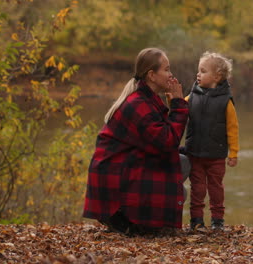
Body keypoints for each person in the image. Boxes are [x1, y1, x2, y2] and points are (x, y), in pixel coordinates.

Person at [83, 48, 189, 236]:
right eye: (166, 69)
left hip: (123, 169)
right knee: (182, 167)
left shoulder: (147, 100)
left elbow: (157, 143)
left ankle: (135, 218)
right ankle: (122, 217)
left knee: (182, 163)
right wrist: (179, 106)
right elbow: (166, 142)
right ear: (151, 75)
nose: (171, 74)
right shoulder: (138, 104)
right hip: (114, 178)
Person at [184, 51, 239, 231]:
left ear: (217, 76)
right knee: (197, 188)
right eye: (198, 70)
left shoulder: (226, 102)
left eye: (203, 71)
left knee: (216, 188)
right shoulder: (191, 97)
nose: (198, 74)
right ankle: (196, 220)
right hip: (195, 153)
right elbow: (179, 110)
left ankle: (217, 220)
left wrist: (233, 153)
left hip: (216, 155)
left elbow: (233, 129)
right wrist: (171, 99)